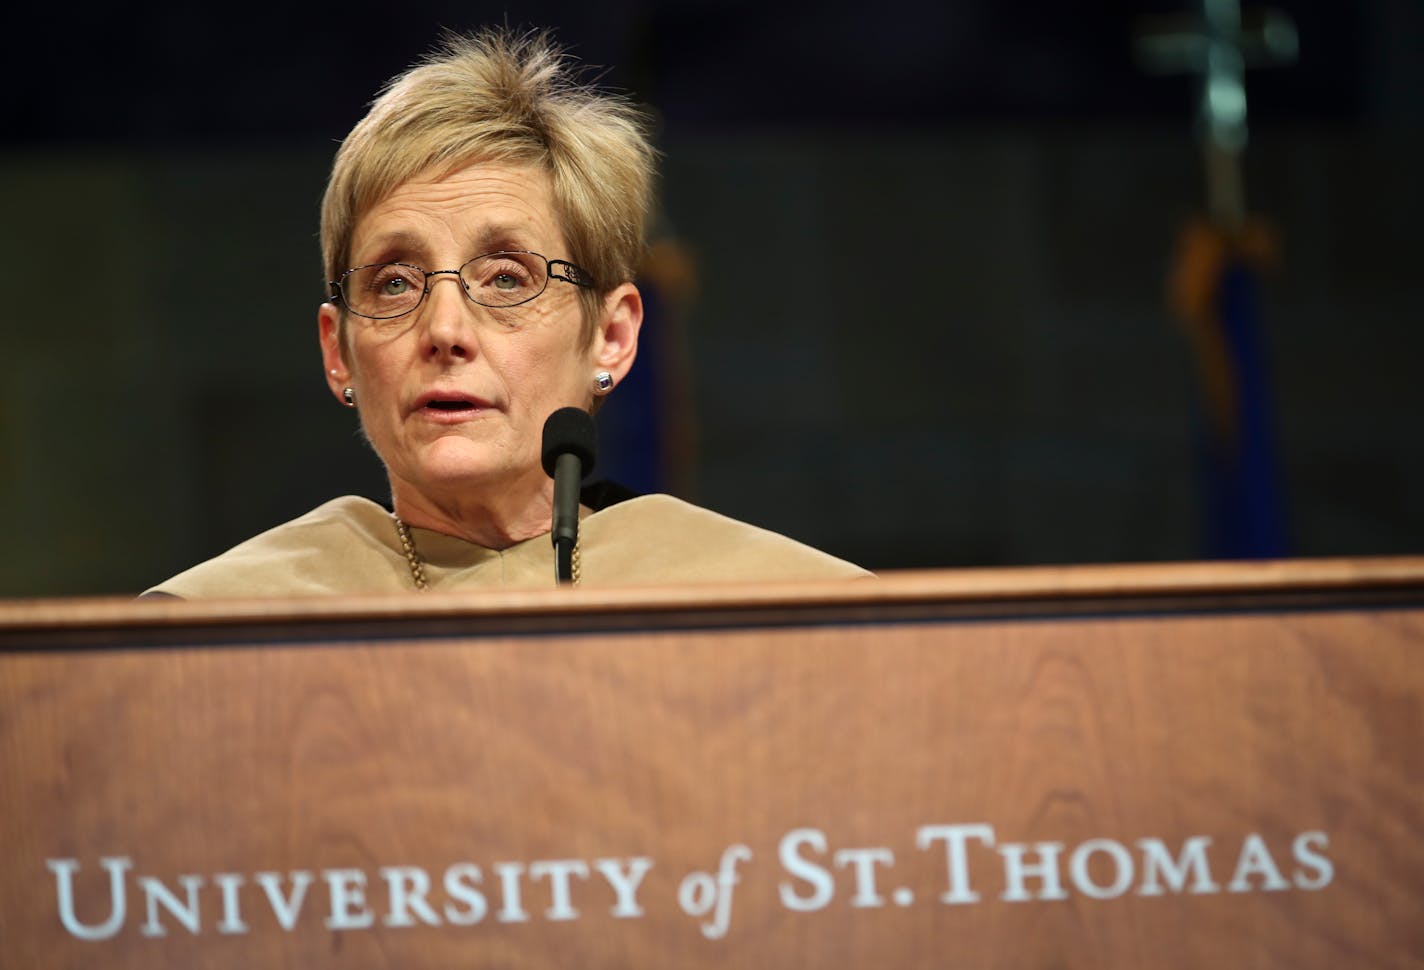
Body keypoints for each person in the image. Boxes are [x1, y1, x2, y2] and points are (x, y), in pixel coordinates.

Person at [146, 29, 867, 598]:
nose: (446, 332)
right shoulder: (205, 635)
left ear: (611, 337)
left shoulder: (787, 610)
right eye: (395, 284)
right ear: (339, 352)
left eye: (506, 278)